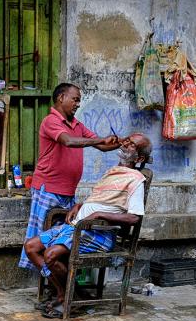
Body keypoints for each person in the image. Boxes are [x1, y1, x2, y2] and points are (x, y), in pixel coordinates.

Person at [23, 133, 152, 318]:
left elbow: (134, 218)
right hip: (78, 227)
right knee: (31, 247)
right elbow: (101, 200)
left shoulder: (135, 180)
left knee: (50, 255)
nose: (124, 144)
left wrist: (99, 214)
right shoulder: (113, 172)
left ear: (139, 158)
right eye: (126, 140)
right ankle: (69, 294)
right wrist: (80, 205)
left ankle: (67, 297)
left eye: (131, 144)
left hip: (96, 233)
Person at [18, 83, 120, 273]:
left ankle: (57, 286)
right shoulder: (51, 121)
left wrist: (122, 142)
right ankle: (51, 286)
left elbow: (103, 146)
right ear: (61, 98)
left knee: (58, 243)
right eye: (75, 99)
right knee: (40, 243)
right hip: (48, 190)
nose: (78, 104)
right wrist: (100, 140)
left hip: (67, 193)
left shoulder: (77, 125)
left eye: (79, 100)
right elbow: (69, 141)